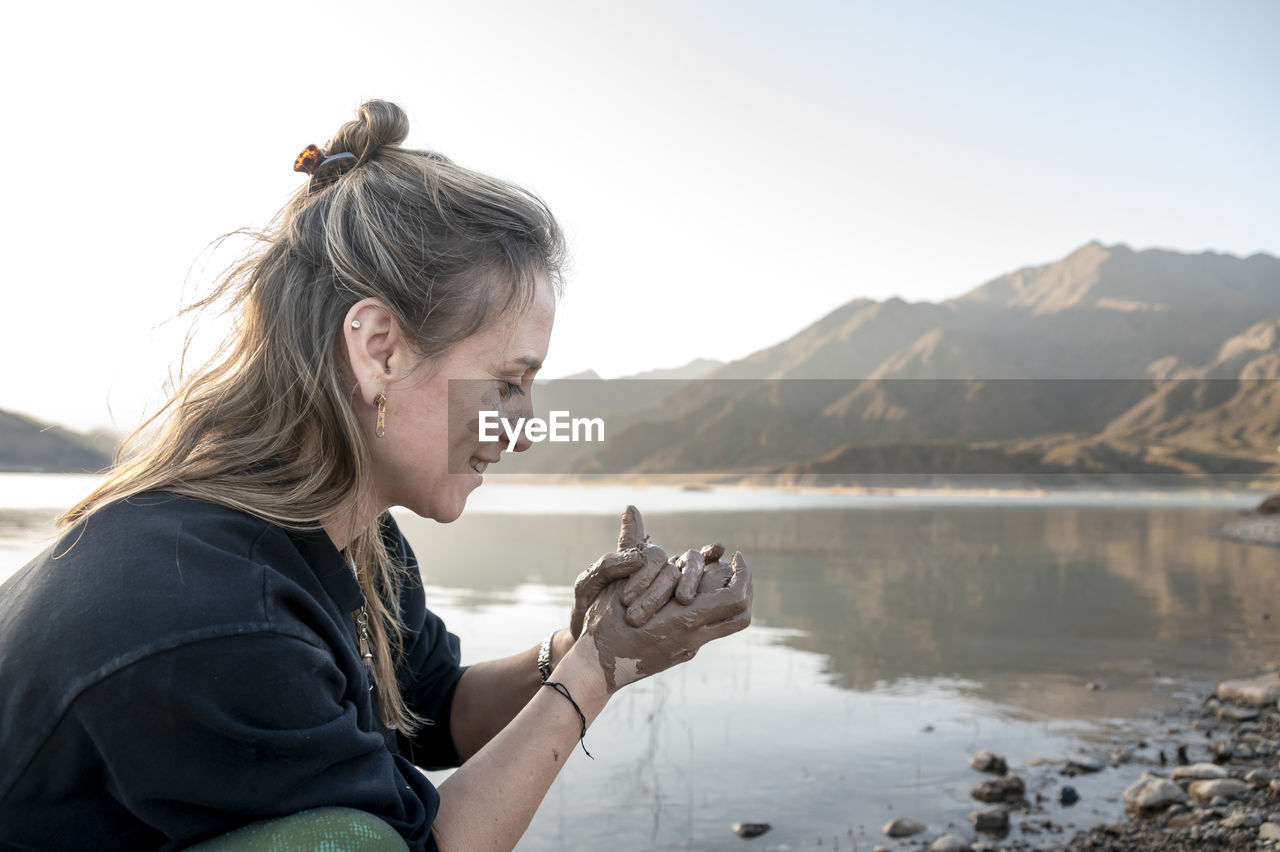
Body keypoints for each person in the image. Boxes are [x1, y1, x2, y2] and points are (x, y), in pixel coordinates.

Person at [0, 100, 752, 851]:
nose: (524, 431)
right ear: (380, 350)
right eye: (507, 383)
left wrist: (576, 640)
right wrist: (597, 669)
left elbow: (435, 709)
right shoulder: (211, 618)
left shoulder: (349, 536)